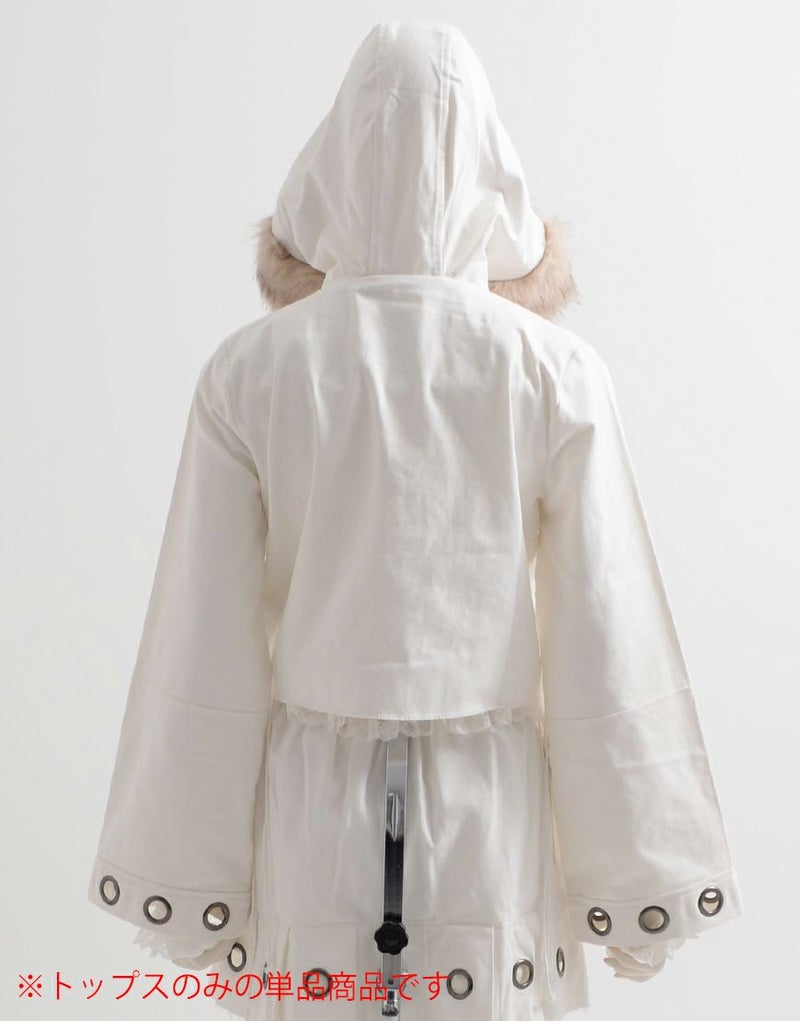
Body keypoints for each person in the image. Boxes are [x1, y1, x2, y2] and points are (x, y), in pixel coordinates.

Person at [87, 18, 744, 1021]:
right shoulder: (550, 370)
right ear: (488, 161)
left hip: (312, 811)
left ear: (334, 157)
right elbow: (604, 632)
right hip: (489, 813)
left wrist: (187, 885)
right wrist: (639, 881)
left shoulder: (253, 371)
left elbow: (202, 640)